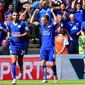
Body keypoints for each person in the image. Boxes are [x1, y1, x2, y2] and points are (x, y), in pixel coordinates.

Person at [30, 9, 58, 83]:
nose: (42, 21)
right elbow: (31, 22)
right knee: (43, 62)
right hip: (43, 47)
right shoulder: (41, 25)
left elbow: (56, 21)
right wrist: (34, 13)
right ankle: (45, 78)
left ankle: (55, 75)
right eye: (41, 20)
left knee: (52, 64)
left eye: (43, 20)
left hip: (51, 47)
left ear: (47, 20)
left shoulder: (51, 26)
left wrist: (52, 12)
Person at [7, 11, 28, 84]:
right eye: (14, 15)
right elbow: (9, 32)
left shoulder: (22, 23)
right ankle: (14, 79)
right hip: (13, 45)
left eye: (16, 15)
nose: (15, 16)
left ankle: (21, 66)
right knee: (13, 61)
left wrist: (20, 36)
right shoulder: (9, 24)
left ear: (18, 16)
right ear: (12, 16)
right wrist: (8, 37)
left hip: (21, 45)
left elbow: (26, 33)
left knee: (20, 61)